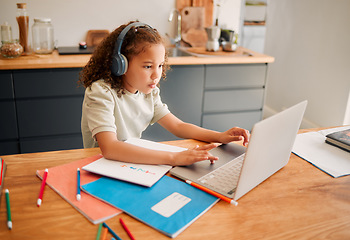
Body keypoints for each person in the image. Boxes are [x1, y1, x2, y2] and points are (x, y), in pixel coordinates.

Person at [79, 21, 249, 166]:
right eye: (148, 66)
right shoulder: (101, 93)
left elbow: (178, 126)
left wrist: (220, 136)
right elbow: (110, 148)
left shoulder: (149, 94)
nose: (156, 75)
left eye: (160, 66)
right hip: (100, 165)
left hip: (129, 163)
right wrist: (174, 157)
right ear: (120, 64)